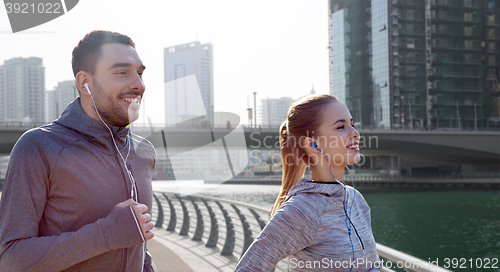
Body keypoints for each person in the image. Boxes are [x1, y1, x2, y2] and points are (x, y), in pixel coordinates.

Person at [0, 30, 156, 271]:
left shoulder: (143, 152)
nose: (138, 84)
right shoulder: (38, 147)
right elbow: (10, 259)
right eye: (122, 72)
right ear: (85, 83)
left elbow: (138, 247)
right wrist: (105, 234)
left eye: (140, 73)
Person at [234, 94, 381, 272]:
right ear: (313, 144)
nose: (355, 133)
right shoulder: (302, 209)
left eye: (352, 124)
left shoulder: (356, 200)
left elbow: (373, 265)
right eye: (341, 127)